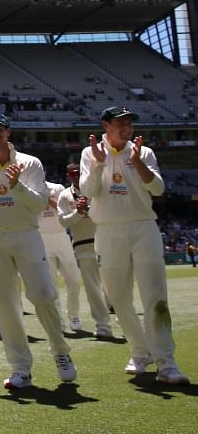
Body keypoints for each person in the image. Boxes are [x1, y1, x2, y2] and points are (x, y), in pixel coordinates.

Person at [0, 112, 75, 390]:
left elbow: (38, 204)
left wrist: (17, 186)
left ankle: (60, 351)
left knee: (43, 295)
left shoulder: (29, 162)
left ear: (8, 132)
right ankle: (20, 368)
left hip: (26, 235)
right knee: (6, 305)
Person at [80, 106, 189, 385]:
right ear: (106, 125)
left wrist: (138, 162)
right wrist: (99, 164)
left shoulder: (144, 152)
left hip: (143, 227)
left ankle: (167, 363)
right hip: (107, 230)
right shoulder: (90, 153)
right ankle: (140, 352)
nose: (126, 128)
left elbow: (159, 189)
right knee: (118, 299)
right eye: (120, 123)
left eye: (129, 123)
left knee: (156, 298)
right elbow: (88, 190)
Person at [56, 163, 114, 339]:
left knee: (114, 286)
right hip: (83, 245)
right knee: (93, 288)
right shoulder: (65, 195)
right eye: (72, 173)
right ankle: (103, 325)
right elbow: (64, 222)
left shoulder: (98, 188)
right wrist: (78, 212)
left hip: (106, 242)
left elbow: (110, 213)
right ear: (67, 176)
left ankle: (124, 319)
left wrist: (89, 210)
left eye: (78, 173)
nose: (75, 176)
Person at [38, 176, 83, 333]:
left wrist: (46, 199)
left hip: (61, 236)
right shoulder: (28, 188)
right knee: (51, 284)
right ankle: (59, 321)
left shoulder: (56, 188)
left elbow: (62, 210)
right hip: (42, 238)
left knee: (74, 279)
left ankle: (74, 315)